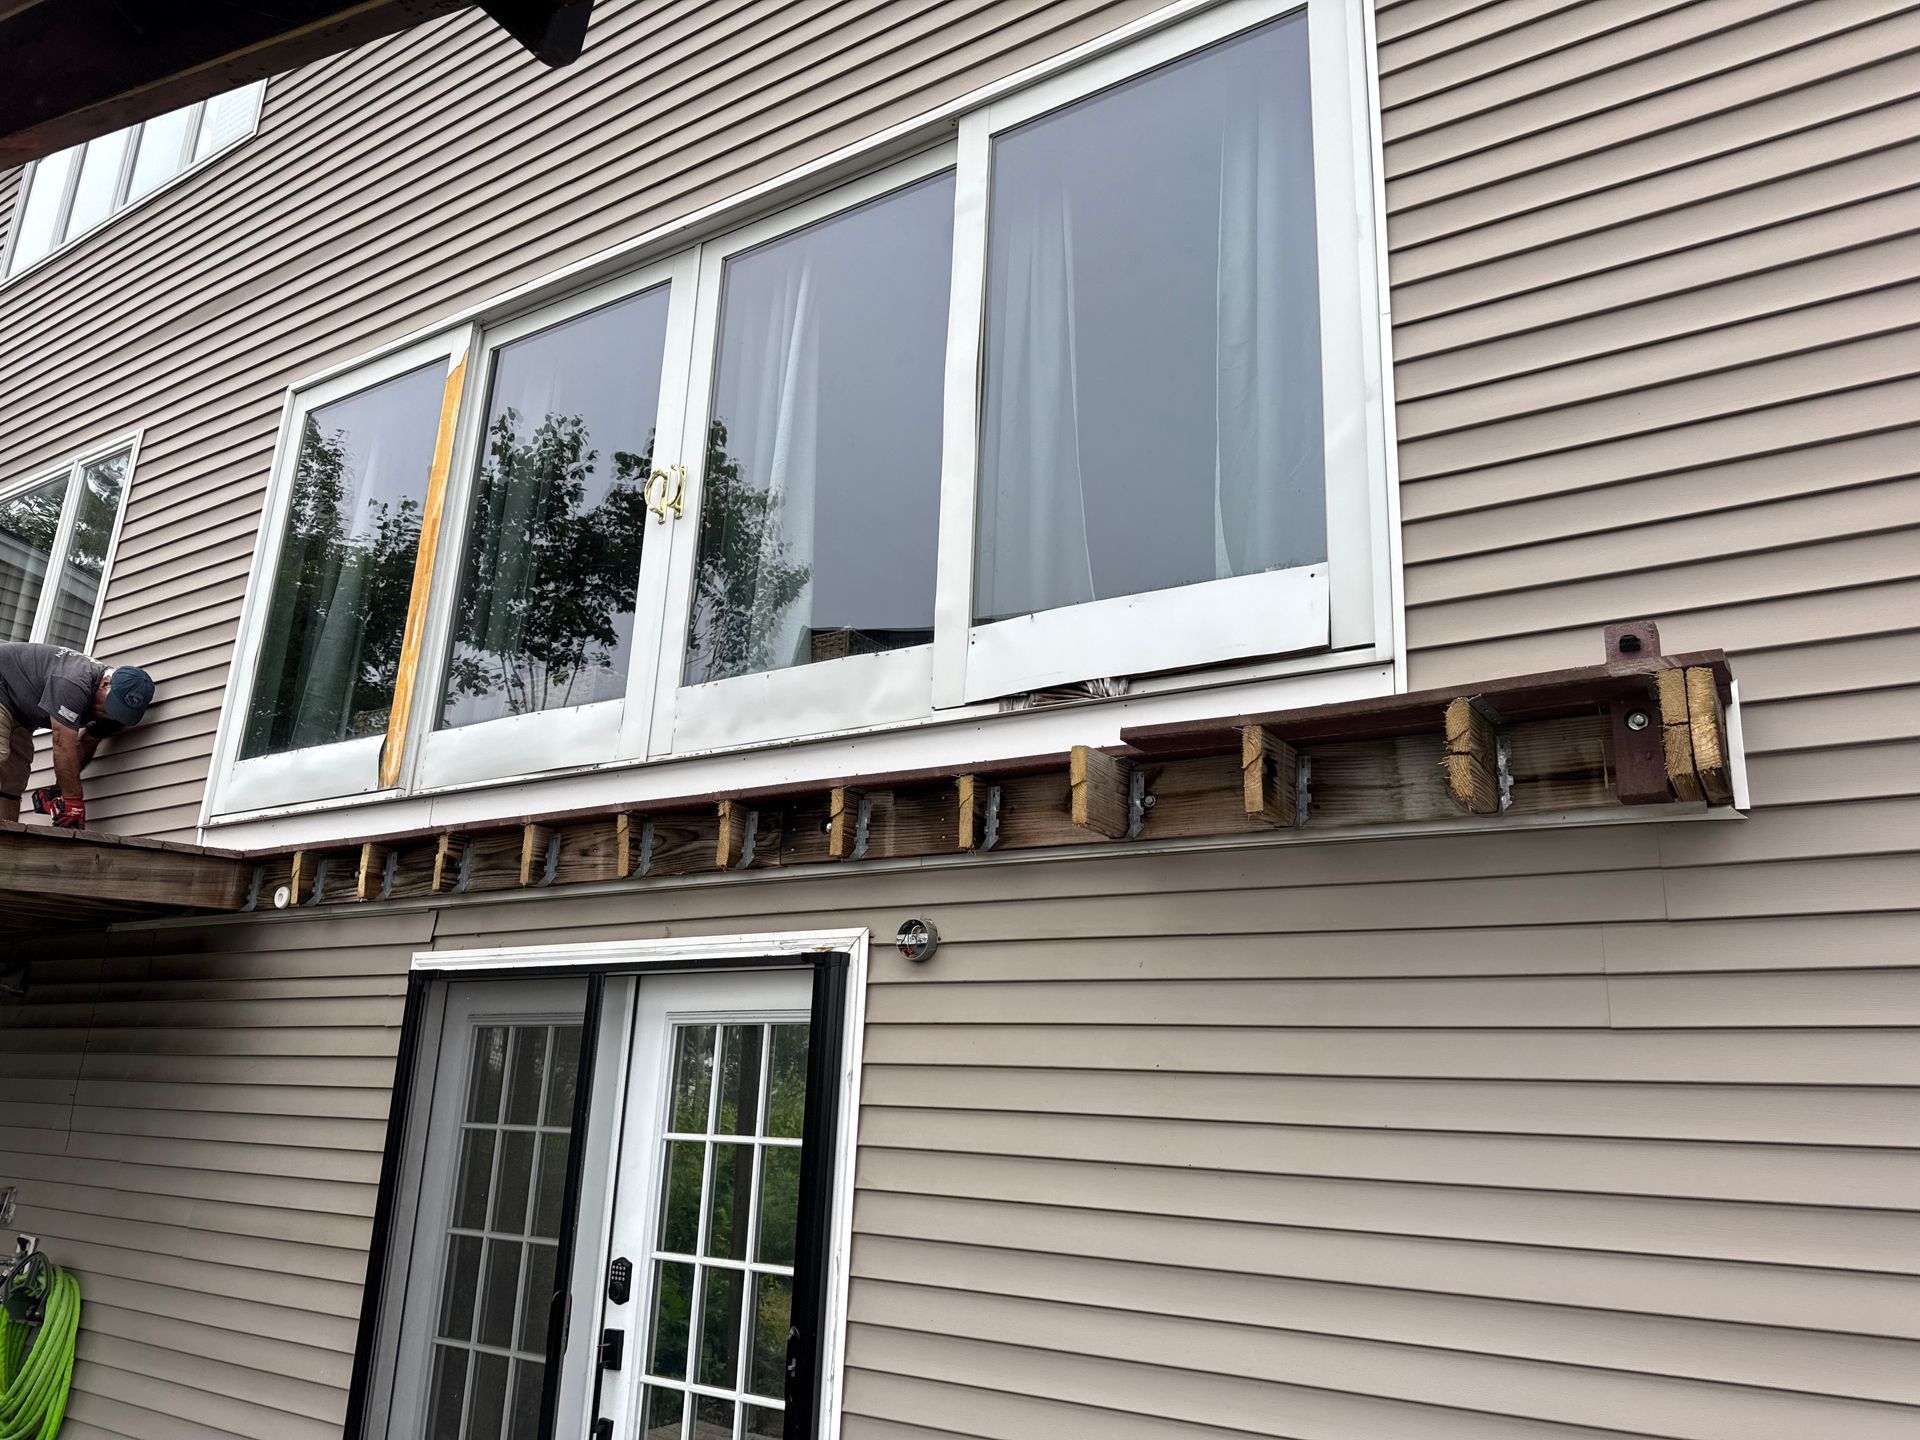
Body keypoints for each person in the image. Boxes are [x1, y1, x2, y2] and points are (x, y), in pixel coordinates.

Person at [0, 643, 153, 828]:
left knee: (12, 781)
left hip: (20, 711)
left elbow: (86, 744)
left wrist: (61, 790)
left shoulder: (115, 714)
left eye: (118, 712)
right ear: (105, 684)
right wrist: (73, 800)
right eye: (110, 706)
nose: (109, 714)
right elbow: (62, 743)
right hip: (3, 683)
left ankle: (5, 842)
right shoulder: (74, 682)